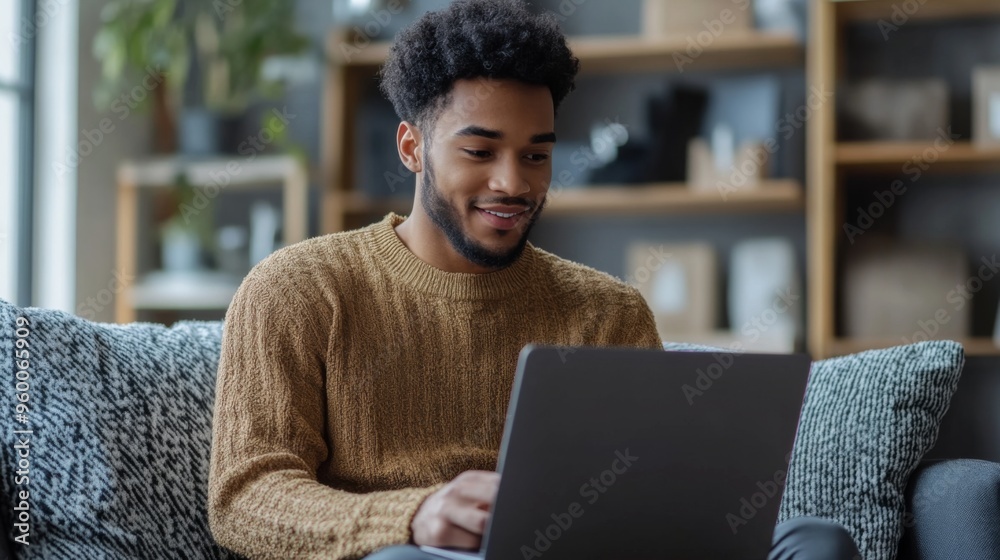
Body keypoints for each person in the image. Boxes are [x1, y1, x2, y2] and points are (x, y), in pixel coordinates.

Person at [207, 1, 860, 559]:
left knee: (814, 541)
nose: (514, 183)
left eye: (536, 155)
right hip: (408, 552)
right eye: (480, 151)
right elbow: (244, 496)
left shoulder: (609, 313)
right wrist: (411, 515)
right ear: (412, 148)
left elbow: (655, 496)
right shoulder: (296, 290)